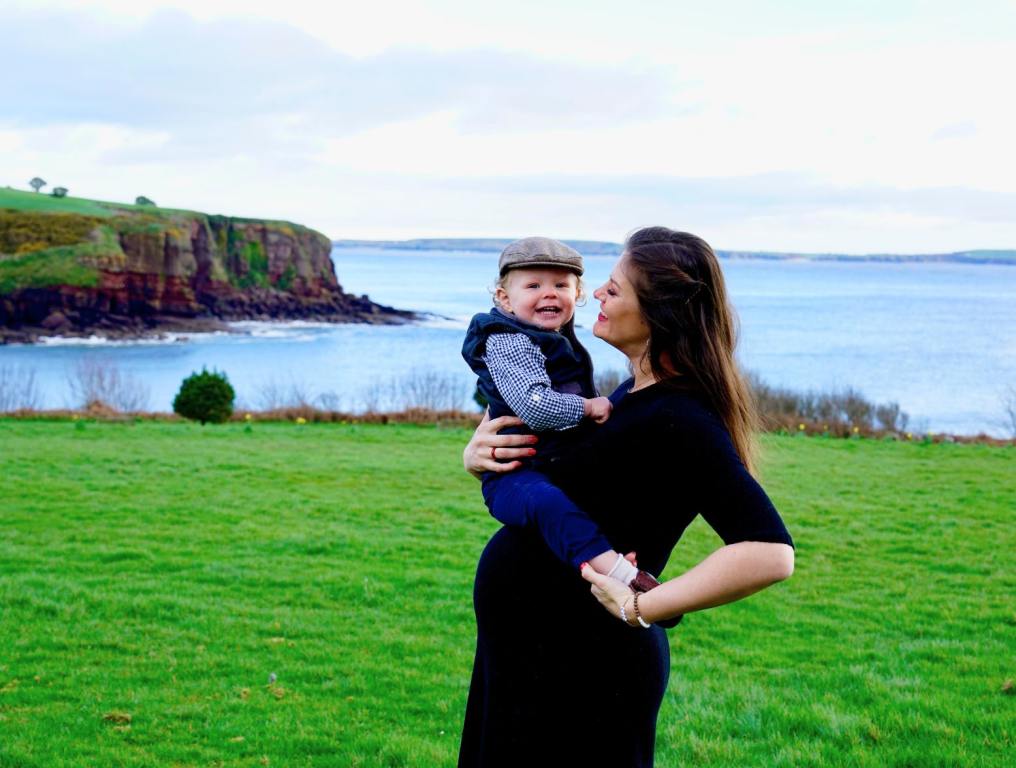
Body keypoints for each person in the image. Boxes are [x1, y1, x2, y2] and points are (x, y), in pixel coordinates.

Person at [457, 227, 796, 768]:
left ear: (658, 311)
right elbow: (579, 484)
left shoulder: (680, 416)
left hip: (587, 670)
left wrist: (643, 604)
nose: (592, 296)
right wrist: (479, 460)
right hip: (529, 656)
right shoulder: (624, 396)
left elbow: (770, 553)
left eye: (612, 290)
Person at [461, 236, 657, 590]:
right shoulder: (509, 339)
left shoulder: (553, 341)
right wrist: (588, 406)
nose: (549, 293)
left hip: (552, 466)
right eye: (534, 285)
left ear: (576, 295)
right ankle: (620, 575)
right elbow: (535, 407)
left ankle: (615, 556)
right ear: (504, 299)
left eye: (561, 285)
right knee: (547, 502)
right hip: (517, 474)